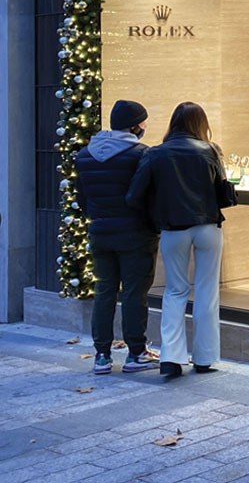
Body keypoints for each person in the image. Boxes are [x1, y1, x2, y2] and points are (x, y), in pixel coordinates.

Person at [127, 101, 236, 378]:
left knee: (175, 291)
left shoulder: (155, 154)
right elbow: (224, 194)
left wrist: (158, 213)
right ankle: (204, 358)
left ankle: (171, 359)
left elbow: (134, 196)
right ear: (201, 124)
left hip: (173, 229)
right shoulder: (210, 150)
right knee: (206, 290)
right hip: (207, 226)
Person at [74, 99, 160, 375]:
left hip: (100, 232)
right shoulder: (140, 155)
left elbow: (82, 199)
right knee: (135, 292)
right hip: (135, 234)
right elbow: (149, 196)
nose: (145, 127)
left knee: (104, 292)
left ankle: (101, 355)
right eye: (143, 122)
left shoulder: (85, 155)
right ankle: (136, 352)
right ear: (135, 125)